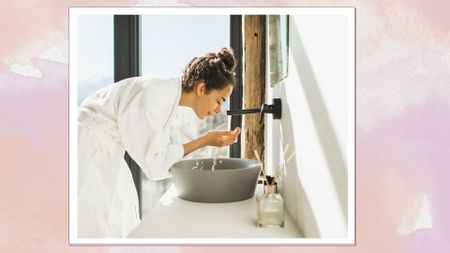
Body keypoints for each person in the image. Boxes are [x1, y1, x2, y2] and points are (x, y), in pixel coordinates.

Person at [77, 48, 241, 238]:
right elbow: (155, 165)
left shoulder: (166, 95)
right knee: (92, 221)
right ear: (201, 88)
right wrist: (204, 140)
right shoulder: (153, 96)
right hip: (89, 149)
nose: (218, 109)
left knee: (118, 218)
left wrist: (205, 141)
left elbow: (159, 155)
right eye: (219, 100)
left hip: (104, 150)